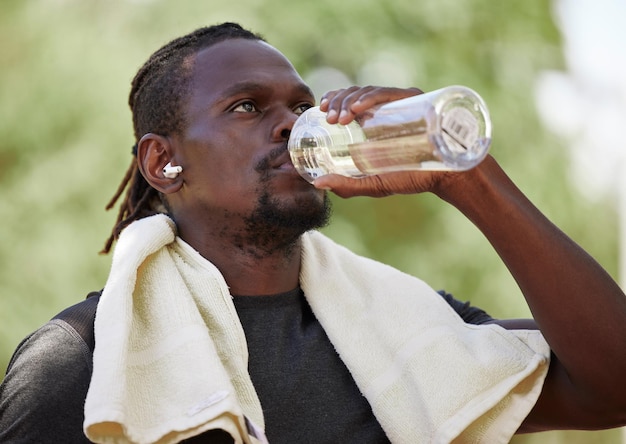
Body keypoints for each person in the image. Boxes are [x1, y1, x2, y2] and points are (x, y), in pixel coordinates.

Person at [1, 22, 625, 444]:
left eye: (301, 106)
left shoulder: (406, 330)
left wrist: (466, 176)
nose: (291, 125)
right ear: (164, 162)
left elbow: (612, 386)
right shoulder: (86, 359)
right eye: (247, 106)